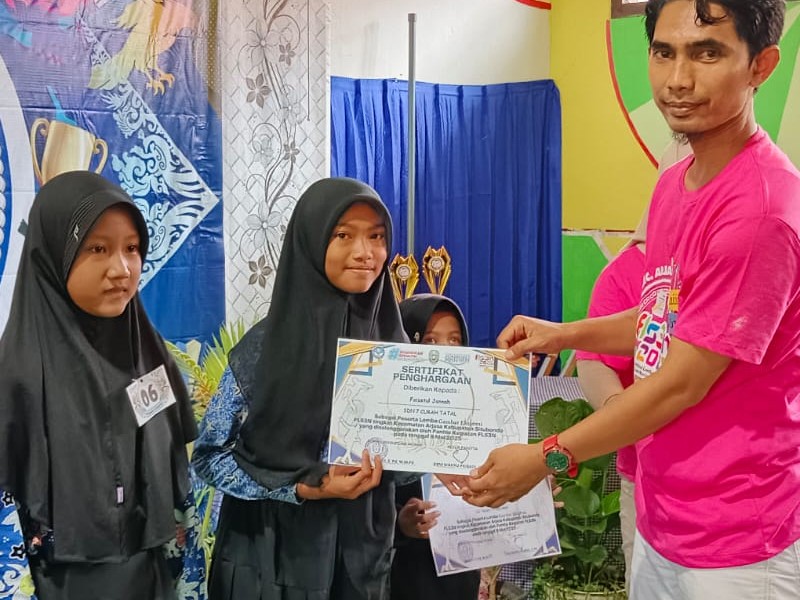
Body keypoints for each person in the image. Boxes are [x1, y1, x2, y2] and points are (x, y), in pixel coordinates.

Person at [460, 1, 800, 599]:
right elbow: (667, 321)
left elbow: (679, 383)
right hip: (663, 516)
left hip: (740, 542)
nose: (678, 80)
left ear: (761, 66)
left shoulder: (760, 210)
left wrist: (544, 458)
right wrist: (567, 333)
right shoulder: (675, 184)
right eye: (664, 52)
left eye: (707, 53)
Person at [192, 177, 408, 600]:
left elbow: (404, 458)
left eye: (377, 236)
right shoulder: (264, 349)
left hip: (362, 565)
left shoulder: (395, 348)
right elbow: (209, 457)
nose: (365, 253)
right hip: (268, 562)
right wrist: (303, 487)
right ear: (310, 242)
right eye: (343, 235)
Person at [0, 171, 197, 599]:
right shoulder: (17, 378)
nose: (121, 269)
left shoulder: (149, 355)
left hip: (151, 574)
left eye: (132, 248)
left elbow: (177, 481)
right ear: (54, 255)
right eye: (97, 249)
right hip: (63, 583)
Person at [575, 139, 691, 589]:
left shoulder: (742, 252)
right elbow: (593, 360)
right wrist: (621, 411)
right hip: (646, 475)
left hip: (734, 486)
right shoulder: (625, 274)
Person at [390, 294, 480, 600]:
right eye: (430, 340)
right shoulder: (385, 414)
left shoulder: (479, 412)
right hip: (400, 571)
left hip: (459, 570)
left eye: (454, 340)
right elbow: (363, 504)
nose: (445, 351)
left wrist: (531, 495)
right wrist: (400, 522)